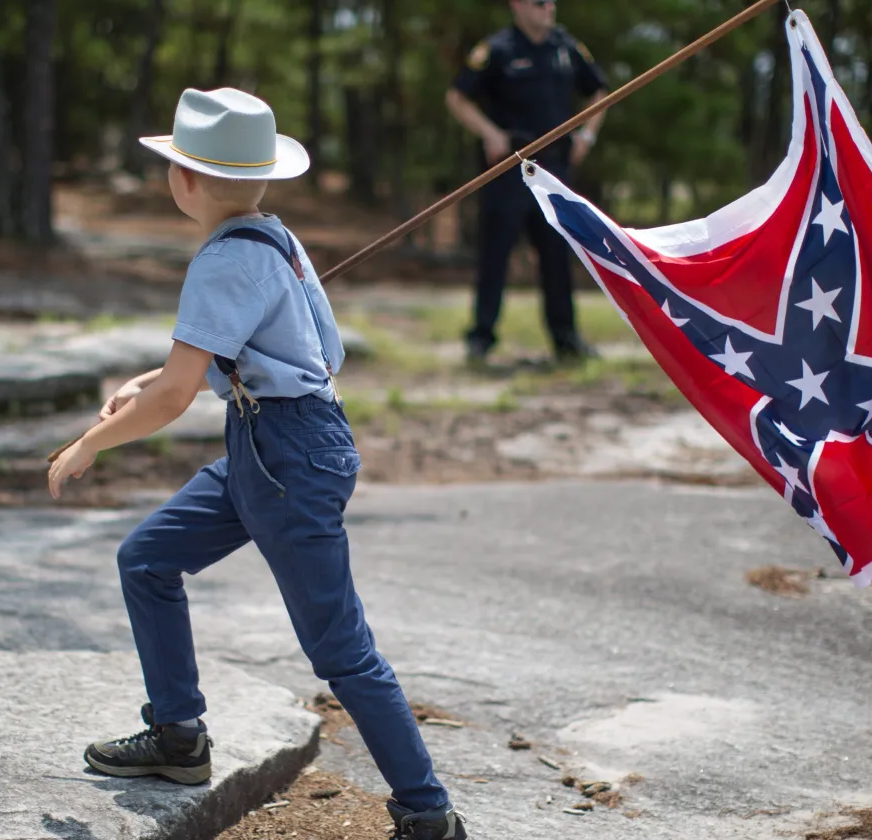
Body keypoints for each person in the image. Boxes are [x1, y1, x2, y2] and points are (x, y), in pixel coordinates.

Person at [46, 87, 467, 840]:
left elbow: (179, 396)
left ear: (185, 180)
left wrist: (89, 445)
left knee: (341, 651)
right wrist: (156, 376)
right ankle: (179, 738)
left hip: (286, 459)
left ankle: (428, 813)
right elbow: (290, 352)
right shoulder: (274, 237)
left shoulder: (224, 260)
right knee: (146, 559)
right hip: (274, 444)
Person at [446, 0, 610, 365]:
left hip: (554, 173)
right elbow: (457, 97)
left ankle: (566, 339)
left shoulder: (567, 48)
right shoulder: (498, 50)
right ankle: (480, 339)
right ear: (517, 5)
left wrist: (587, 137)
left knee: (557, 256)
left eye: (551, 2)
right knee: (495, 256)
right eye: (538, 2)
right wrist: (490, 133)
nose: (548, 8)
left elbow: (600, 91)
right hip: (510, 170)